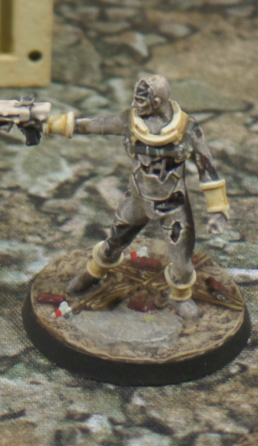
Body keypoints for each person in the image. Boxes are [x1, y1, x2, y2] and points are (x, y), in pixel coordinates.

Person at [57, 74, 230, 314]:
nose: (137, 103)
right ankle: (95, 272)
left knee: (182, 262)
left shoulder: (188, 128)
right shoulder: (130, 121)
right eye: (137, 96)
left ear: (157, 101)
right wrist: (54, 124)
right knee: (114, 242)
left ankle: (180, 295)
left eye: (143, 98)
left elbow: (207, 167)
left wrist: (218, 209)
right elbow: (96, 124)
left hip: (173, 204)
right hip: (138, 198)